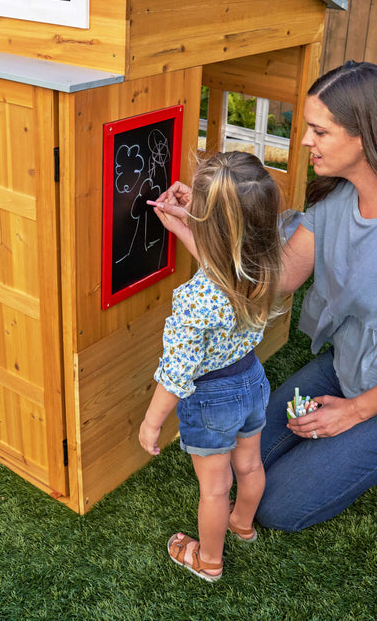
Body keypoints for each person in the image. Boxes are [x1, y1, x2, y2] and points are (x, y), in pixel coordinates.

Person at [152, 61, 377, 534]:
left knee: (276, 506)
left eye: (319, 131)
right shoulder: (336, 202)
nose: (304, 141)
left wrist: (353, 413)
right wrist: (198, 225)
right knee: (248, 457)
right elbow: (272, 282)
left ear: (365, 137)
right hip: (347, 368)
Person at [139, 151, 282, 581]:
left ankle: (209, 560)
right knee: (250, 466)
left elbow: (176, 374)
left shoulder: (193, 303)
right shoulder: (265, 266)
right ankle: (242, 524)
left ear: (209, 226)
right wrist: (186, 226)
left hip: (213, 399)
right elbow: (223, 261)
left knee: (215, 487)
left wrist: (151, 423)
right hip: (253, 381)